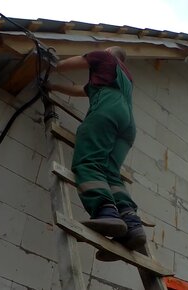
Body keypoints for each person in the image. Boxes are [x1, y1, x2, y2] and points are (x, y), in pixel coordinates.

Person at [47, 46, 146, 259]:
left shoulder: (103, 56)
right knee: (110, 174)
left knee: (88, 161)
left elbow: (73, 62)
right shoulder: (124, 77)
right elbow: (81, 89)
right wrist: (52, 86)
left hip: (108, 109)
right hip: (128, 124)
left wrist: (51, 64)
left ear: (110, 51)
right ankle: (132, 224)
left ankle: (106, 212)